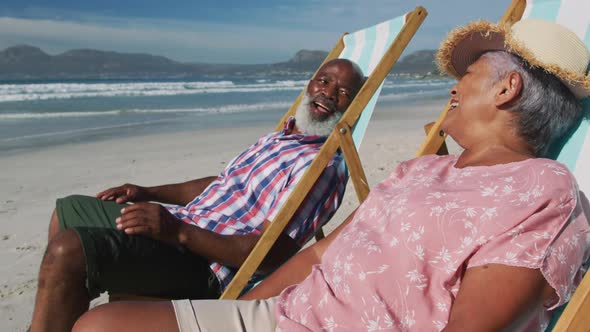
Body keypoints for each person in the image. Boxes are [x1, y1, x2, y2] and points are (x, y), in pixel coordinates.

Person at [72, 19, 590, 331]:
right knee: (97, 324)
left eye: (468, 77)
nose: (453, 89)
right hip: (285, 314)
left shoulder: (543, 190)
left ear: (507, 89)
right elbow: (322, 251)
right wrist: (244, 311)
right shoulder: (420, 168)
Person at [28, 58, 366, 332]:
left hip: (205, 265)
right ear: (310, 84)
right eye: (324, 81)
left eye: (344, 92)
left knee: (68, 250)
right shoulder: (283, 137)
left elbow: (270, 255)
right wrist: (148, 192)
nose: (328, 93)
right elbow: (223, 182)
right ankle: (59, 316)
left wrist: (177, 231)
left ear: (354, 107)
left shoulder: (320, 166)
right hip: (180, 227)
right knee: (69, 209)